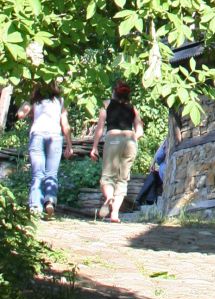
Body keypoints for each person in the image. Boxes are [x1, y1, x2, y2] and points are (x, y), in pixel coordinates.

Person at [16, 82, 75, 219]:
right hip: (55, 137)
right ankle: (50, 201)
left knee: (37, 174)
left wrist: (29, 102)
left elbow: (20, 114)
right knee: (51, 173)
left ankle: (35, 206)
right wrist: (69, 145)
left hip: (37, 135)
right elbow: (65, 125)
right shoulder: (60, 101)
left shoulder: (35, 100)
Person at [89, 81, 143, 223]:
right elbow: (140, 131)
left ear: (114, 92)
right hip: (130, 141)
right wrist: (132, 139)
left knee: (108, 177)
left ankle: (109, 197)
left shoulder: (106, 104)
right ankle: (115, 214)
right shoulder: (133, 108)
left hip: (113, 139)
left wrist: (94, 147)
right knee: (123, 179)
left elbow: (100, 128)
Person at [135, 141, 167, 208]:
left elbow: (159, 157)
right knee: (153, 175)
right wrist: (153, 162)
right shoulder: (165, 142)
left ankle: (139, 199)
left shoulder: (167, 143)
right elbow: (158, 152)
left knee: (153, 176)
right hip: (162, 174)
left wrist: (156, 161)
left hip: (165, 175)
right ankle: (148, 200)